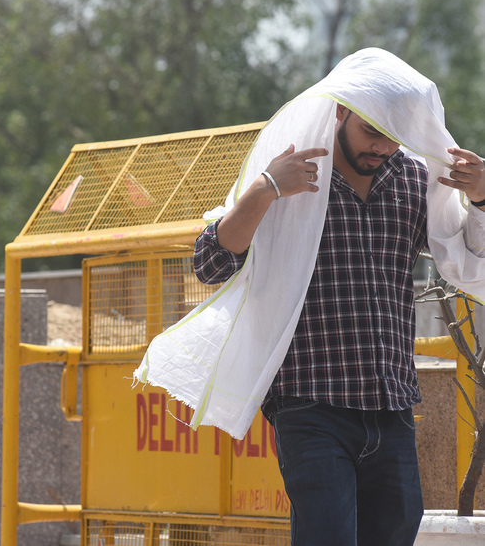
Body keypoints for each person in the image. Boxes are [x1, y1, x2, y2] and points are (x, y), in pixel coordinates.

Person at [135, 48, 485, 545]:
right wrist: (263, 191)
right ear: (340, 109)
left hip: (391, 403)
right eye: (370, 132)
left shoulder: (412, 177)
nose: (381, 147)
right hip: (311, 405)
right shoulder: (291, 172)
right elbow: (211, 264)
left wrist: (481, 200)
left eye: (393, 135)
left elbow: (468, 265)